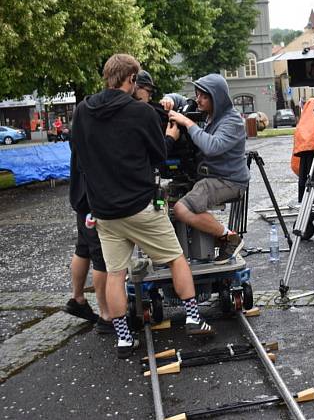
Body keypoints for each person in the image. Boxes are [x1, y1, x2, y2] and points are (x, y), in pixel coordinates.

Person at [70, 54, 214, 359]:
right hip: (140, 205)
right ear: (131, 79)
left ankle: (123, 338)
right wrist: (171, 136)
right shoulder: (141, 113)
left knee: (115, 274)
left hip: (104, 211)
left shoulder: (82, 111)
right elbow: (160, 157)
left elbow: (79, 152)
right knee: (176, 259)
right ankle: (193, 317)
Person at [167, 74, 249, 264]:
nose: (198, 100)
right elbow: (181, 100)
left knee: (181, 209)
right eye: (197, 95)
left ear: (216, 97)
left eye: (204, 96)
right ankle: (212, 240)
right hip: (210, 177)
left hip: (229, 181)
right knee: (168, 204)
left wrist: (188, 123)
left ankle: (230, 238)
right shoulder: (207, 112)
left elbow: (213, 146)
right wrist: (169, 99)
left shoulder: (232, 121)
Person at [64, 158, 112, 335]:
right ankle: (106, 316)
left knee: (83, 248)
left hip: (80, 194)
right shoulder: (93, 128)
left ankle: (77, 299)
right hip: (94, 195)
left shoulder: (78, 129)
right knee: (101, 256)